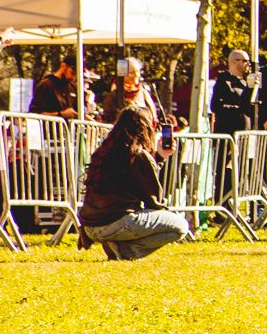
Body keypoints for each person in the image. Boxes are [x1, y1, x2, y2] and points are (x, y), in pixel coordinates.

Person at [77, 106, 192, 261]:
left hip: (90, 226)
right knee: (180, 226)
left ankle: (115, 245)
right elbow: (154, 200)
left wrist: (158, 157)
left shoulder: (103, 152)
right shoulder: (138, 155)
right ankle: (128, 250)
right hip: (116, 222)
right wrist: (169, 213)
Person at [210, 50, 258, 135]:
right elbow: (215, 106)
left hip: (244, 132)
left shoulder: (244, 82)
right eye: (245, 61)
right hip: (228, 132)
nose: (248, 64)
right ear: (234, 62)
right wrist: (239, 109)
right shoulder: (223, 81)